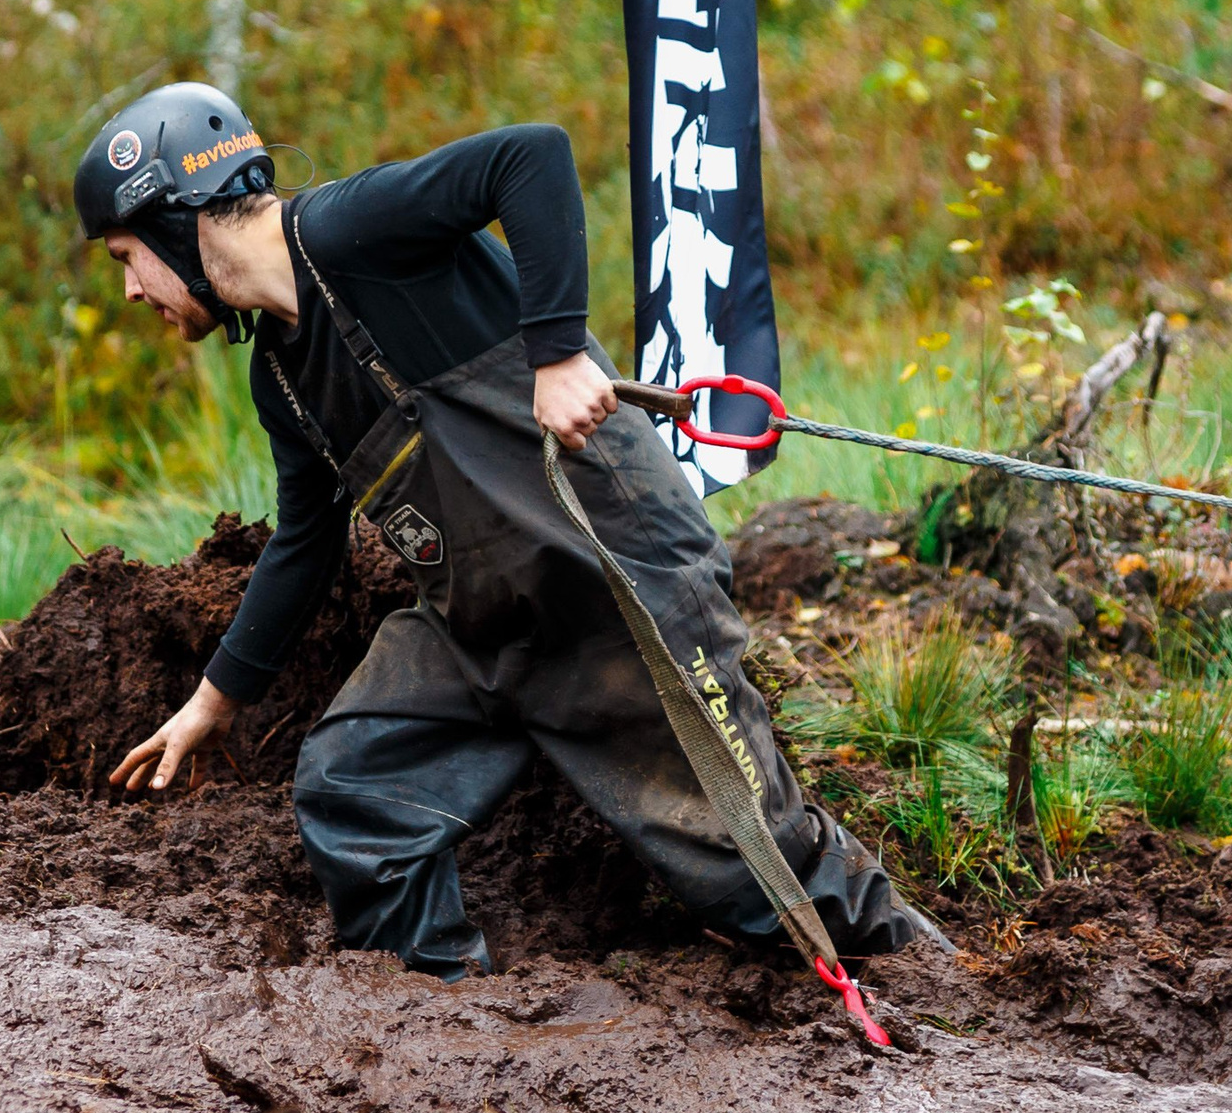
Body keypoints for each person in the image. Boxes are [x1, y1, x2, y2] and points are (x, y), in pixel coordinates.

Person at [70, 81, 929, 979]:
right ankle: (449, 1026)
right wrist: (211, 704)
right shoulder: (281, 381)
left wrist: (558, 353)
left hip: (619, 592)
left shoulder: (347, 230)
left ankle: (942, 991)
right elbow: (304, 542)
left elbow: (532, 155)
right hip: (480, 632)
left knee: (759, 870)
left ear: (178, 219)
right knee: (354, 790)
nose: (131, 289)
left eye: (128, 255)